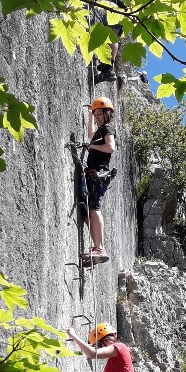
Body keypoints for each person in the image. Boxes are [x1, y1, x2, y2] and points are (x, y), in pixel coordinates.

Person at [81, 96, 116, 265]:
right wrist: (89, 115)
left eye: (99, 114)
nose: (97, 117)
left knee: (94, 207)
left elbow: (110, 147)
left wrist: (93, 147)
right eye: (96, 114)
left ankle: (100, 247)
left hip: (99, 173)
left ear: (107, 113)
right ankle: (97, 247)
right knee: (87, 212)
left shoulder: (107, 128)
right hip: (94, 173)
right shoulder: (100, 130)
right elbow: (90, 135)